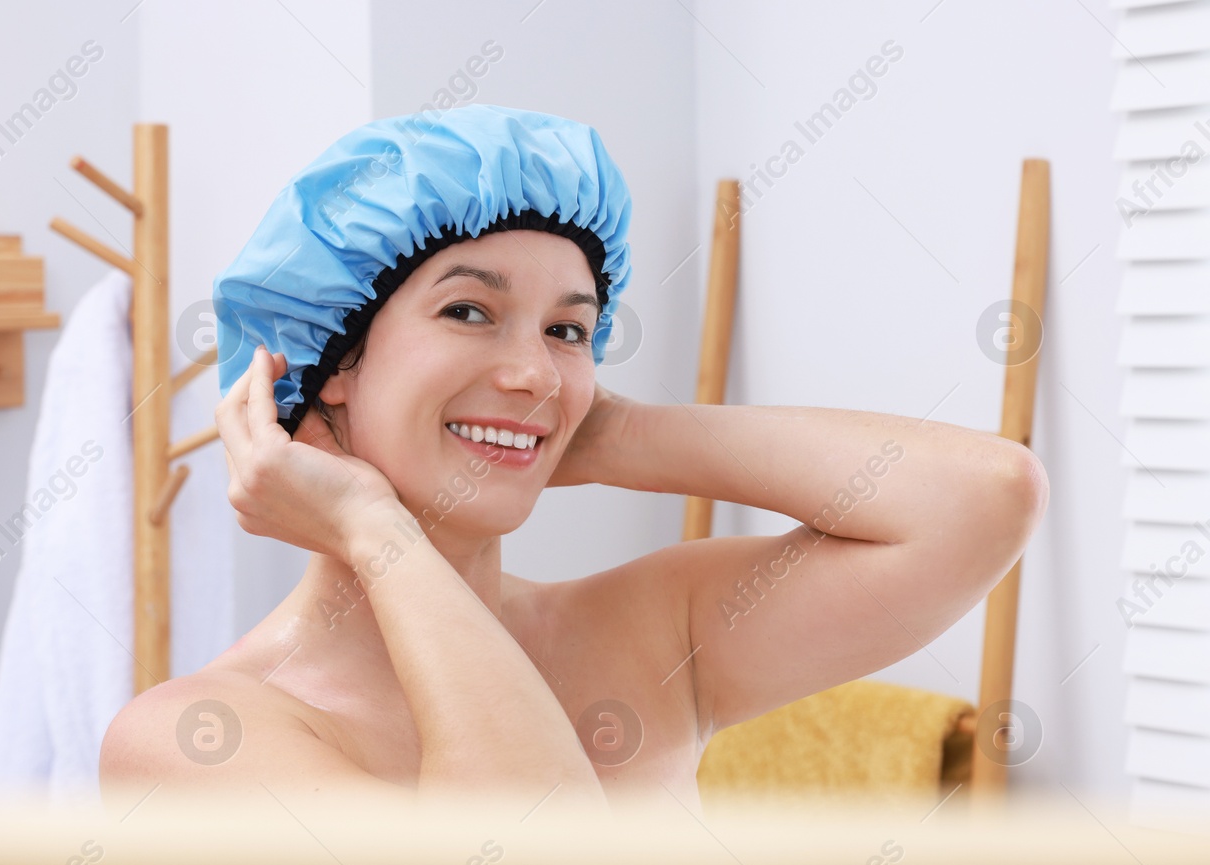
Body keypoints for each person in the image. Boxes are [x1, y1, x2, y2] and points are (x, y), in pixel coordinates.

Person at [99, 105, 1047, 807]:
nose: (532, 372)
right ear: (331, 359)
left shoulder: (647, 633)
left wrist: (616, 432)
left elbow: (984, 497)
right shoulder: (193, 739)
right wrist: (374, 528)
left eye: (568, 329)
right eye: (469, 310)